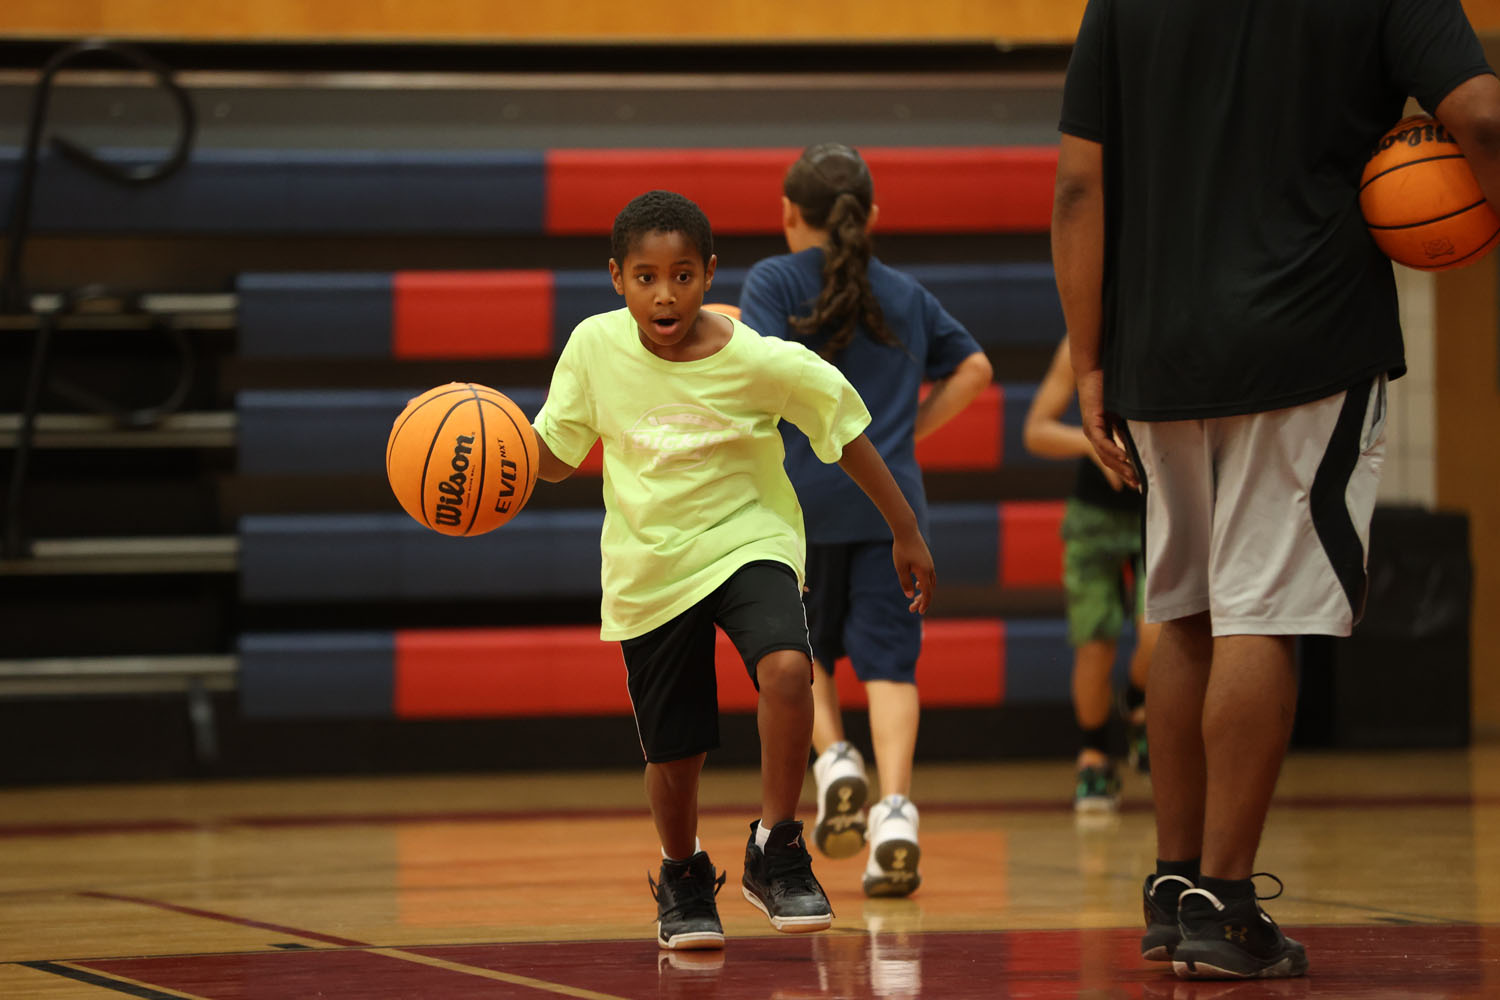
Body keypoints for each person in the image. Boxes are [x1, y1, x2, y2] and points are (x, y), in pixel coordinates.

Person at [1053, 0, 1500, 980]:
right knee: (1262, 611)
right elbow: (1482, 116)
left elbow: (1081, 186)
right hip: (1307, 338)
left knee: (1184, 610)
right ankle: (1226, 900)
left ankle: (1175, 890)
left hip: (1157, 344)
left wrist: (1090, 358)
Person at [529, 189, 937, 951]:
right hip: (650, 564)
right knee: (674, 753)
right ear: (616, 279)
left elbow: (846, 430)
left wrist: (904, 529)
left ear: (709, 275)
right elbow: (555, 454)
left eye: (683, 275)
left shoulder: (758, 357)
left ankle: (777, 846)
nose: (664, 292)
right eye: (646, 276)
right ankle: (682, 875)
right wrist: (506, 455)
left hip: (750, 542)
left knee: (789, 669)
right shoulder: (592, 347)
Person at [739, 143, 991, 897]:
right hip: (892, 506)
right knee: (891, 666)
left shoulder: (772, 282)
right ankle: (898, 820)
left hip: (801, 507)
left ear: (788, 214)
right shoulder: (906, 293)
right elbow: (974, 368)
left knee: (802, 651)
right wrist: (906, 434)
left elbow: (752, 376)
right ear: (873, 216)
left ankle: (836, 761)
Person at [1022, 334, 1159, 813]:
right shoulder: (1082, 344)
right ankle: (1095, 755)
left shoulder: (1168, 330)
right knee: (1095, 645)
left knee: (1157, 635)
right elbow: (1035, 430)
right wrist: (1090, 443)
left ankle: (1139, 701)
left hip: (1158, 512)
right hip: (1093, 520)